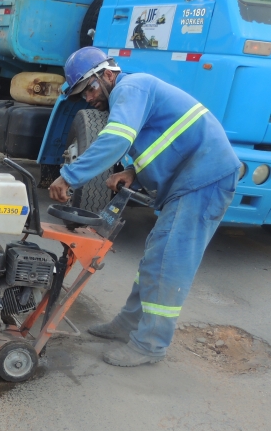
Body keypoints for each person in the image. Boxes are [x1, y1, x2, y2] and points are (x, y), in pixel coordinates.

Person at [48, 47, 240, 367]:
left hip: (203, 182)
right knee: (155, 260)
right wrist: (132, 173)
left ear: (108, 74)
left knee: (168, 264)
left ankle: (150, 344)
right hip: (192, 179)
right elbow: (168, 141)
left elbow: (117, 138)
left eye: (89, 88)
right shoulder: (136, 92)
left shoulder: (131, 87)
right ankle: (129, 324)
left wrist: (69, 176)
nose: (87, 98)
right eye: (80, 94)